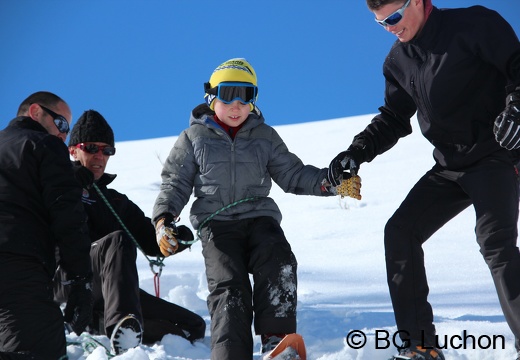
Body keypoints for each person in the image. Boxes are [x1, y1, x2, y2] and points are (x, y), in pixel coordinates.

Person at [327, 1, 520, 359]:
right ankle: (419, 348)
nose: (390, 29)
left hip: (496, 154)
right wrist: (356, 152)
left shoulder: (474, 24)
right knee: (400, 232)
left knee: (495, 241)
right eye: (381, 24)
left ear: (417, 1)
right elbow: (393, 118)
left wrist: (517, 108)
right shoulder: (398, 61)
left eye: (394, 18)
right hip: (449, 166)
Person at [151, 57, 349, 360]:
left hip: (259, 219)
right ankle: (230, 353)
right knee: (229, 286)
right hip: (217, 225)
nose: (236, 105)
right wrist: (163, 220)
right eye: (228, 94)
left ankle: (276, 342)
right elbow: (175, 184)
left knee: (278, 261)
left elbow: (293, 175)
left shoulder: (264, 137)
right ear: (211, 96)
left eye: (246, 96)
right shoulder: (193, 138)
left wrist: (332, 183)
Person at [53, 110, 206, 355]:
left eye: (107, 150)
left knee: (192, 326)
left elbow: (150, 242)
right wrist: (70, 182)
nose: (99, 156)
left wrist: (175, 239)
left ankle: (105, 327)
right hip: (67, 280)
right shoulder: (55, 185)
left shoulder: (116, 202)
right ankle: (120, 327)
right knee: (117, 241)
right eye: (91, 148)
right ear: (73, 150)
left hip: (111, 291)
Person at [0, 92, 92, 360]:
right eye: (61, 124)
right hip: (16, 265)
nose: (64, 135)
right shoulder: (44, 145)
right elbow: (68, 216)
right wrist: (80, 282)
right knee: (39, 350)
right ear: (35, 112)